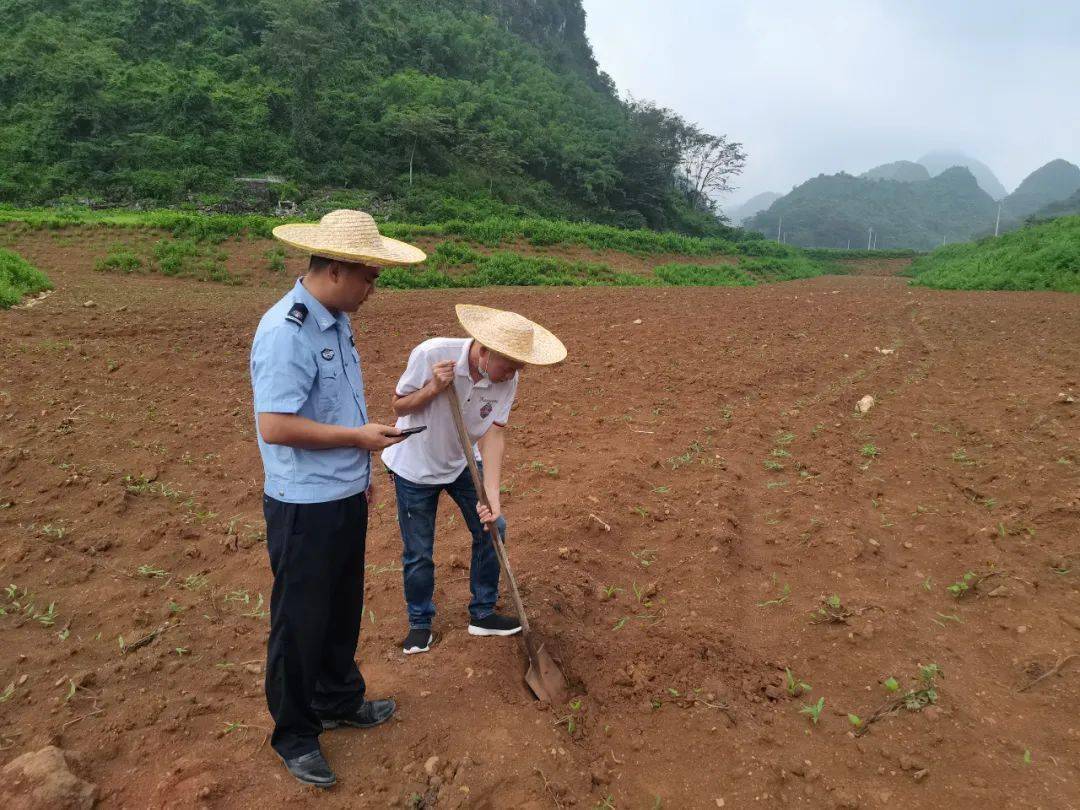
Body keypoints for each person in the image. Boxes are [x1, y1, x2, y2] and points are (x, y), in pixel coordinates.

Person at [249, 210, 425, 788]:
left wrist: (359, 464)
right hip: (304, 502)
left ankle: (338, 698)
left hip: (343, 490)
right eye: (369, 276)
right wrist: (358, 439)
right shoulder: (286, 331)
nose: (374, 287)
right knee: (301, 619)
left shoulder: (335, 319)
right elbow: (274, 425)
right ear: (336, 269)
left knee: (342, 605)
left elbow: (334, 405)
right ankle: (296, 734)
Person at [382, 304, 567, 655]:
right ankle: (420, 623)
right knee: (419, 551)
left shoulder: (508, 377)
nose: (513, 374)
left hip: (462, 462)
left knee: (493, 527)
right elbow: (399, 406)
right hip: (415, 467)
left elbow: (494, 435)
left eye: (519, 367)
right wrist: (433, 388)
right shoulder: (432, 353)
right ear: (483, 351)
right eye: (508, 365)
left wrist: (492, 498)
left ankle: (482, 613)